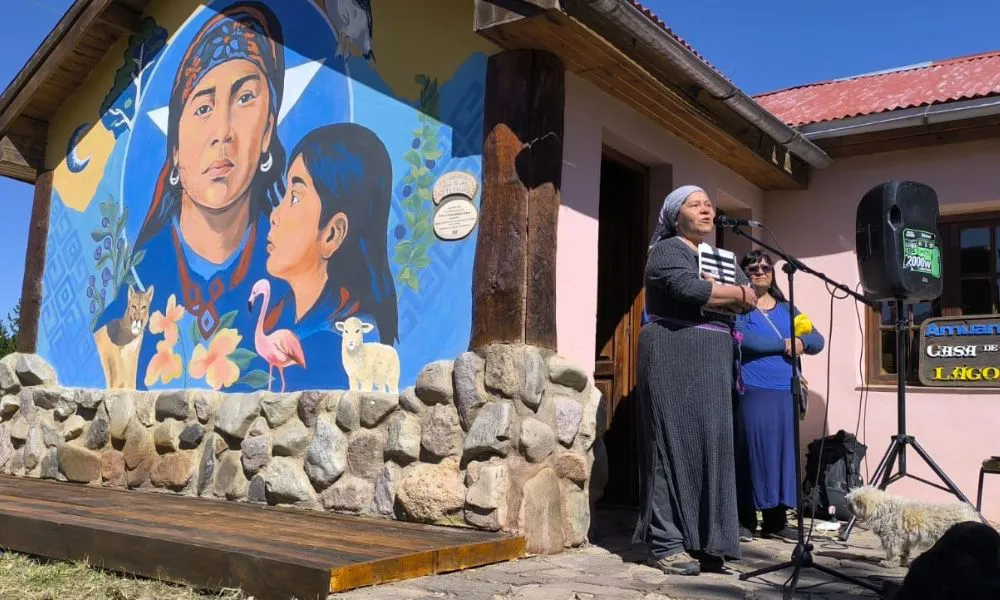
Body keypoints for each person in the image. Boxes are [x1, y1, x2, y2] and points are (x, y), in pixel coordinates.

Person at [94, 3, 292, 391]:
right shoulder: (140, 277)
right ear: (176, 150)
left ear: (268, 129)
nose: (223, 132)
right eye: (202, 107)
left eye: (245, 98)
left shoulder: (292, 276)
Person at [634, 185, 757, 576]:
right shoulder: (667, 251)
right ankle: (666, 542)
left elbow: (749, 300)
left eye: (709, 204)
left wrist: (727, 292)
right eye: (695, 204)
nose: (706, 210)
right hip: (674, 353)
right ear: (675, 216)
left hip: (714, 360)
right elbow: (690, 289)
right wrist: (731, 292)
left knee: (712, 446)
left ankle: (707, 541)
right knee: (670, 444)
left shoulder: (722, 258)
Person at [263, 123, 399, 390]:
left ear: (332, 234)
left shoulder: (340, 341)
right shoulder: (281, 319)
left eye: (294, 197)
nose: (274, 215)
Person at [735, 250, 825, 541]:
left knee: (782, 456)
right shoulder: (739, 308)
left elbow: (817, 339)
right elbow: (747, 341)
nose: (760, 271)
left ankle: (775, 520)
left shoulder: (788, 310)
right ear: (743, 273)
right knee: (752, 452)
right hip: (753, 390)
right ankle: (744, 519)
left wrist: (800, 341)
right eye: (752, 267)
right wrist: (785, 343)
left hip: (784, 391)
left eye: (765, 267)